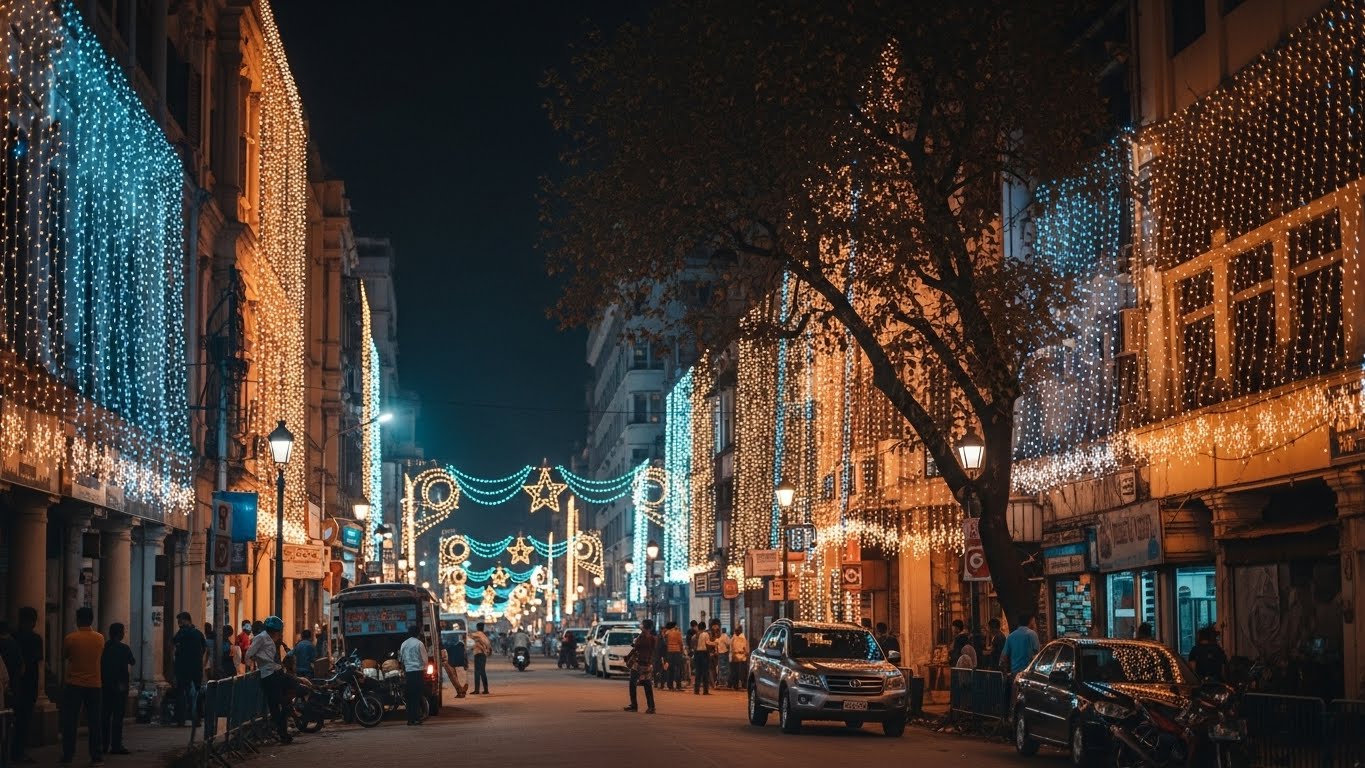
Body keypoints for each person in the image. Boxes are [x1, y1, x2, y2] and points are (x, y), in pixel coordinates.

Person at [61, 605, 105, 767]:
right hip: (95, 684)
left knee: (70, 721)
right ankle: (96, 755)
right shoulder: (100, 638)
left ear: (78, 620)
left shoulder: (70, 638)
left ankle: (68, 754)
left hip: (74, 684)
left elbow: (65, 655)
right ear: (91, 619)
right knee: (95, 721)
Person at [245, 616, 292, 744]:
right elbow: (249, 654)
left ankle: (283, 731)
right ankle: (283, 734)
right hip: (268, 675)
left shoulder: (272, 639)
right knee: (276, 706)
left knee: (284, 701)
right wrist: (253, 667)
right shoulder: (261, 638)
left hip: (276, 672)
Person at [12, 606, 42, 764]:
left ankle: (11, 750)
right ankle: (19, 752)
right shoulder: (36, 639)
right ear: (33, 622)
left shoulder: (12, 637)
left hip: (12, 684)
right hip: (29, 684)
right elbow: (37, 663)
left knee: (12, 719)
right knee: (23, 721)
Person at [101, 623, 136, 756]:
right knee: (117, 718)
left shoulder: (104, 647)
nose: (123, 634)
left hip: (106, 686)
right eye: (123, 632)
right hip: (120, 686)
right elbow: (132, 661)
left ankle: (103, 745)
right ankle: (116, 745)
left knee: (105, 716)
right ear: (120, 634)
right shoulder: (124, 648)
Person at [171, 611, 207, 727]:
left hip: (183, 668)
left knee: (181, 693)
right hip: (196, 668)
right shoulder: (198, 633)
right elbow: (204, 648)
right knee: (196, 694)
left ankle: (181, 719)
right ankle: (196, 720)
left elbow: (172, 644)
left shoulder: (181, 633)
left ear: (186, 620)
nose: (178, 623)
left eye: (180, 621)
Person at [623, 619, 657, 714]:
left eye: (642, 625)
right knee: (647, 686)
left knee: (632, 684)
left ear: (644, 627)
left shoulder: (642, 637)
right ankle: (651, 707)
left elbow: (635, 649)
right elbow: (654, 651)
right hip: (648, 664)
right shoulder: (653, 638)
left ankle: (634, 705)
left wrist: (628, 657)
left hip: (639, 664)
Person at [399, 625, 427, 726]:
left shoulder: (404, 644)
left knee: (409, 697)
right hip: (417, 672)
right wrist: (425, 669)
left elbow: (401, 659)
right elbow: (425, 660)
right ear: (418, 633)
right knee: (417, 696)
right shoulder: (419, 644)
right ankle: (416, 718)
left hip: (408, 673)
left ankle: (410, 719)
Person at [469, 622, 492, 694]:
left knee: (477, 672)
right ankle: (486, 689)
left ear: (477, 627)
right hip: (483, 655)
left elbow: (469, 638)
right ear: (483, 628)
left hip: (478, 654)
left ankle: (477, 690)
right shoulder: (485, 636)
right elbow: (489, 646)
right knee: (482, 672)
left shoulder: (476, 634)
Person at [443, 632, 468, 697]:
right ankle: (461, 691)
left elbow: (444, 655)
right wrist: (466, 664)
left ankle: (460, 692)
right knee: (461, 678)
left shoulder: (447, 645)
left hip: (451, 663)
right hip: (460, 663)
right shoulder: (461, 645)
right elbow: (465, 655)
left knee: (454, 678)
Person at [693, 619, 715, 695]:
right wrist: (715, 643)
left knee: (698, 672)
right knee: (705, 672)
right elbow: (708, 643)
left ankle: (696, 690)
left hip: (697, 654)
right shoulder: (705, 634)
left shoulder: (695, 635)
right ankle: (705, 691)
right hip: (704, 654)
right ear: (704, 627)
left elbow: (693, 645)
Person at [661, 622, 684, 691]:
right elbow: (681, 642)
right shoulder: (678, 633)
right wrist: (682, 650)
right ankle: (678, 685)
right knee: (678, 668)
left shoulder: (667, 633)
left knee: (670, 669)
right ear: (674, 626)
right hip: (677, 651)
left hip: (669, 652)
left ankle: (670, 685)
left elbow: (665, 642)